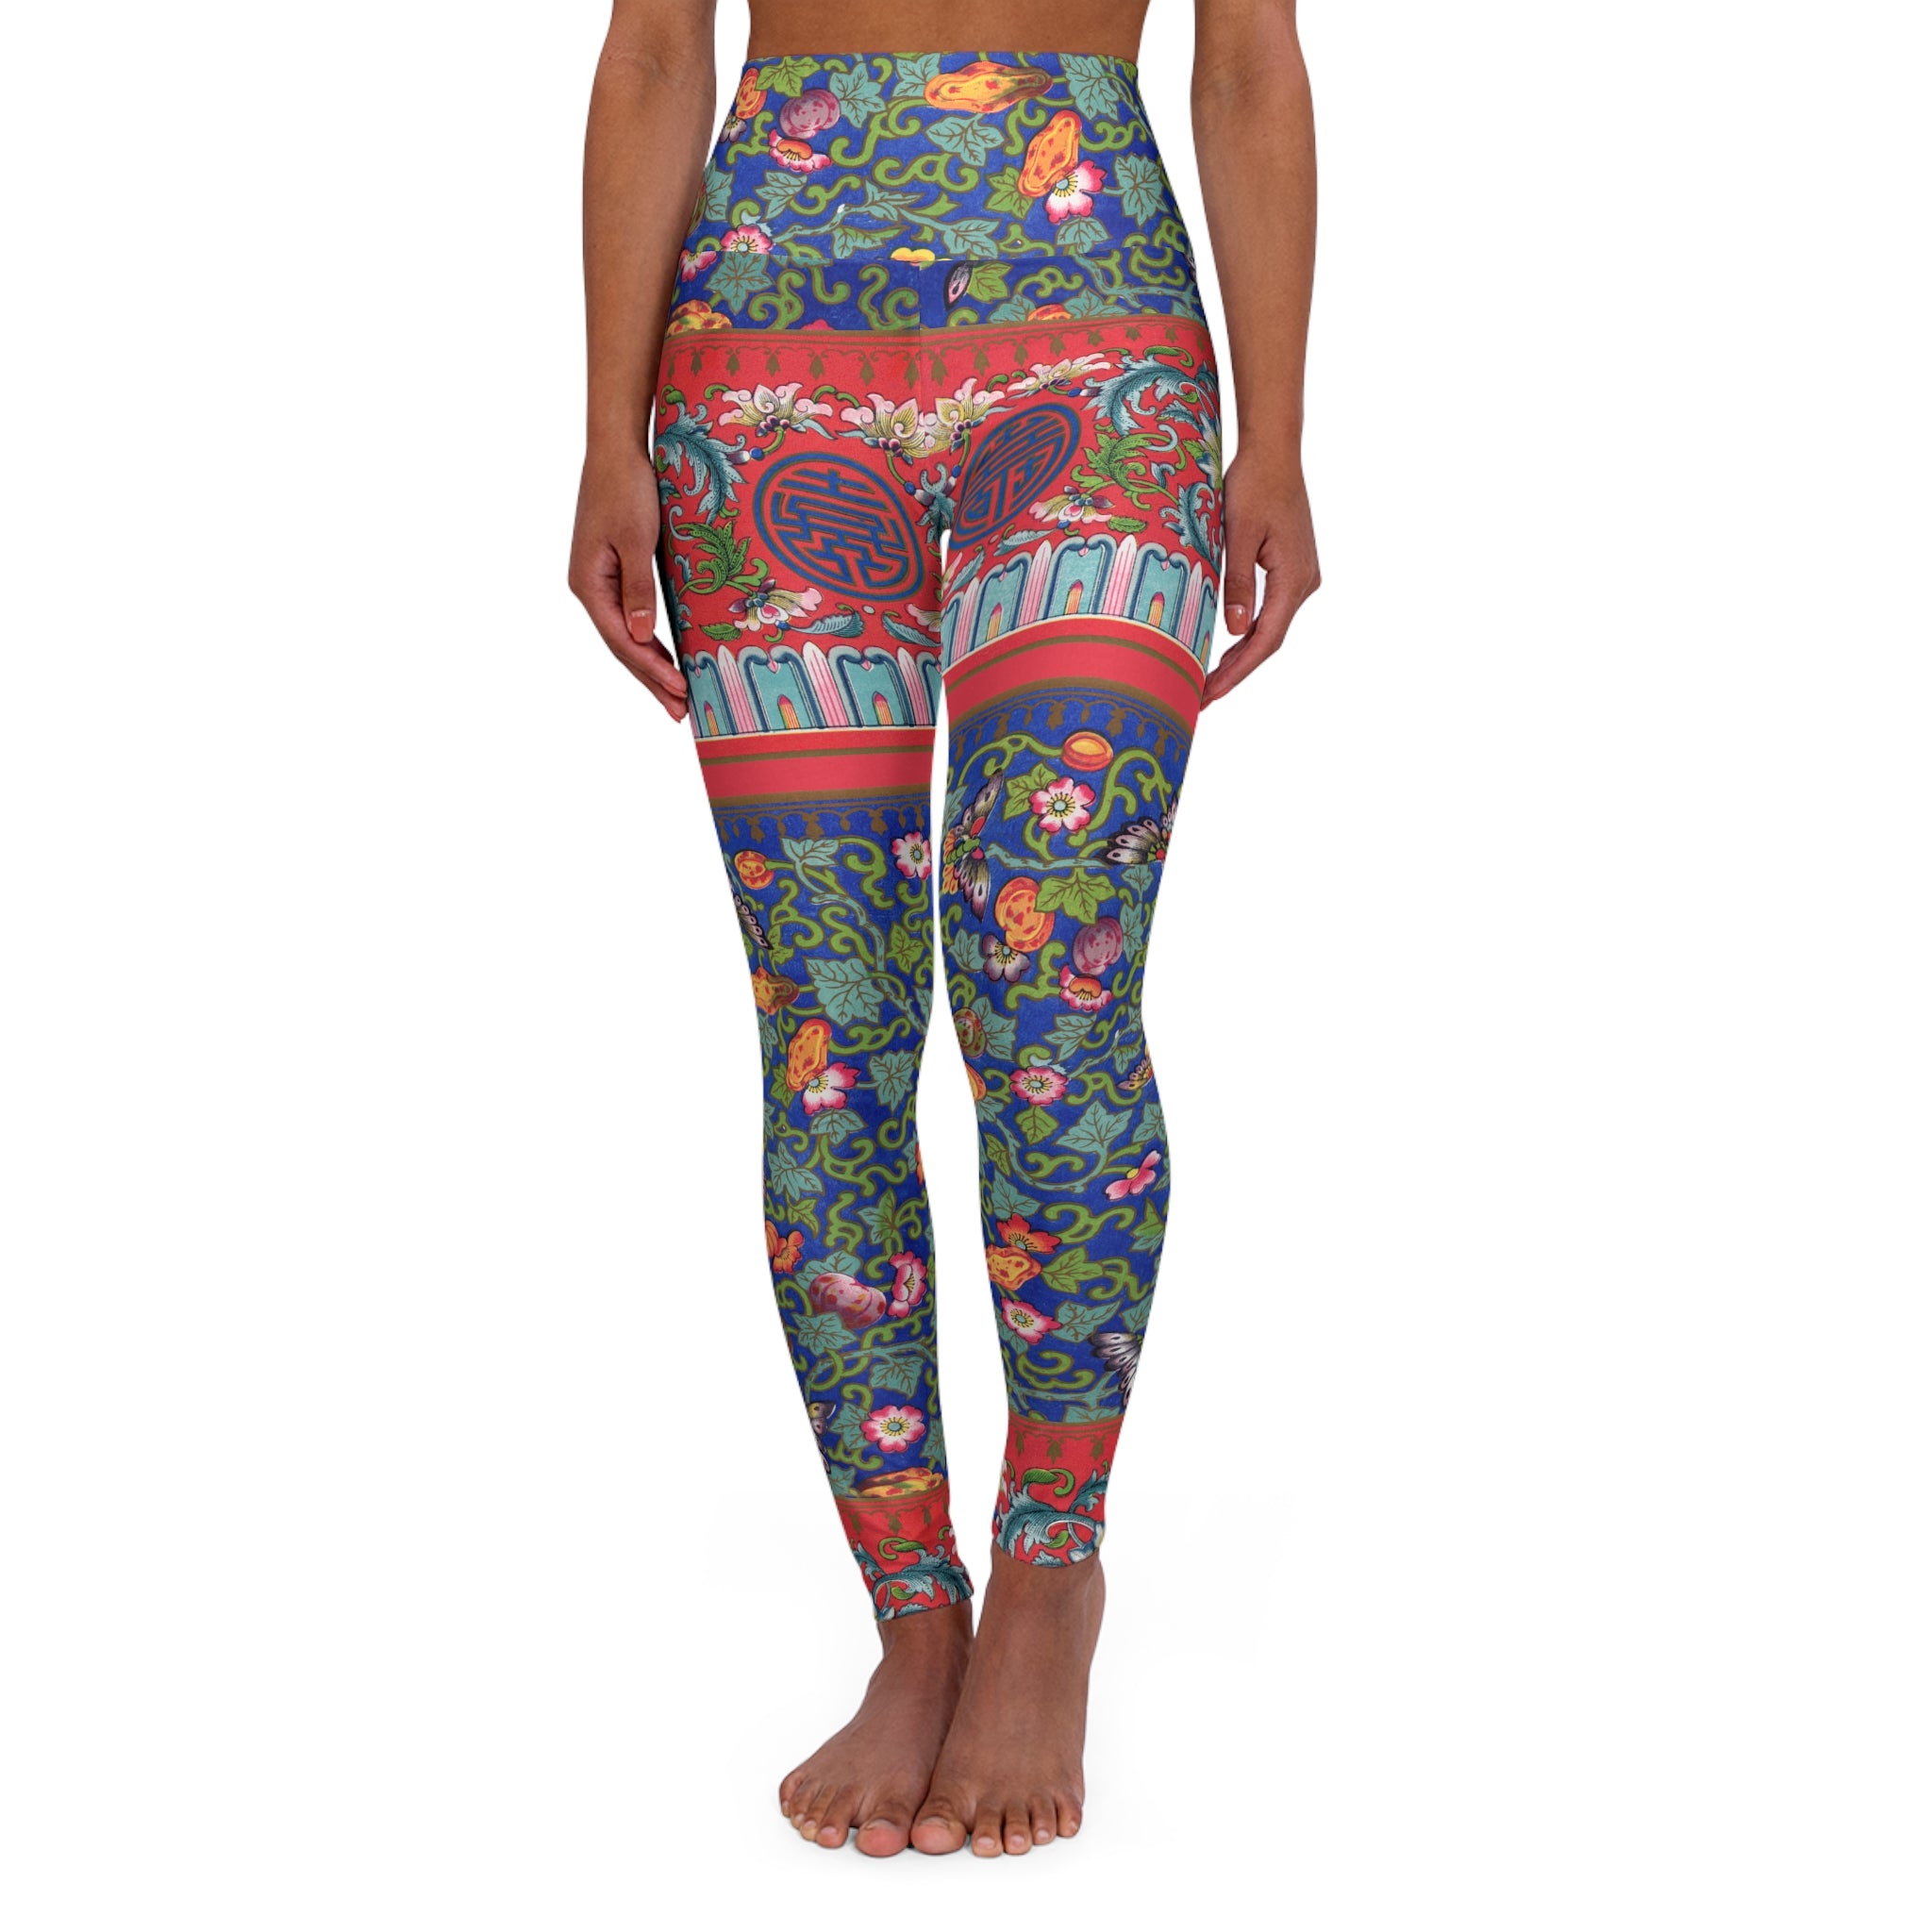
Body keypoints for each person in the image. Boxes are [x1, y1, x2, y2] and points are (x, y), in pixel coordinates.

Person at [568, 0, 1319, 1859]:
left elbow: (1244, 57)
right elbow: (655, 48)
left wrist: (1280, 436)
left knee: (1046, 993)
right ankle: (913, 1611)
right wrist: (602, 431)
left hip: (1103, 364)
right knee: (828, 1031)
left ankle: (1051, 1570)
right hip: (752, 377)